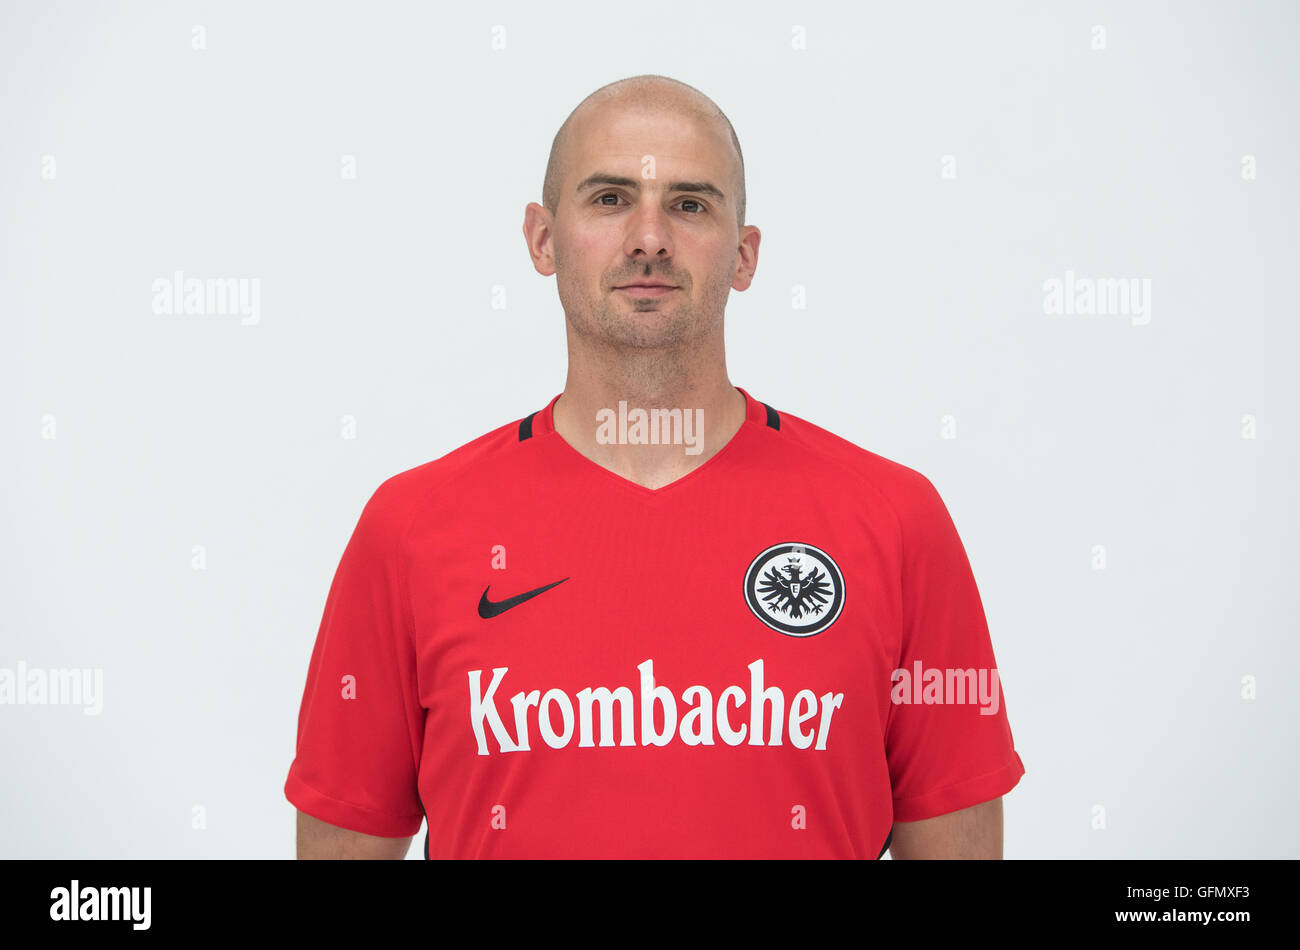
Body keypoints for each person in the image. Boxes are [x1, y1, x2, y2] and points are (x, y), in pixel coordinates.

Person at [285, 74, 1025, 859]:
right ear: (542, 239)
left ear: (744, 256)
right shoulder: (410, 530)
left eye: (689, 204)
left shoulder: (895, 522)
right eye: (608, 199)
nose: (648, 238)